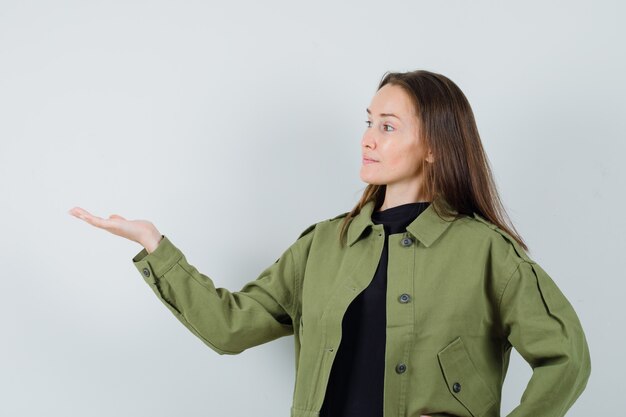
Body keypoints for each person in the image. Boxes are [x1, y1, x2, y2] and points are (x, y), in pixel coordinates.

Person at [68, 69, 591, 417]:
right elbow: (230, 328)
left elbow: (566, 358)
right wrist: (156, 248)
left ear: (433, 145)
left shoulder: (485, 252)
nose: (368, 137)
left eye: (388, 126)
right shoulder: (324, 244)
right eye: (368, 123)